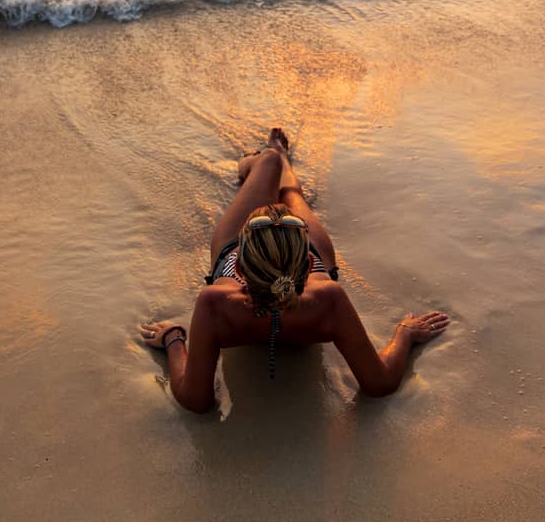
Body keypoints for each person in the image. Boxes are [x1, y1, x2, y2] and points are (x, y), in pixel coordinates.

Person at [139, 128, 450, 413]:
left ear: (241, 267)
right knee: (291, 197)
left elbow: (196, 400)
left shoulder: (215, 302)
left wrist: (173, 340)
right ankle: (280, 165)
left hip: (262, 255)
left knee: (269, 164)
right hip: (294, 252)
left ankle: (263, 161)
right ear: (307, 264)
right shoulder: (329, 298)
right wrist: (404, 335)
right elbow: (379, 384)